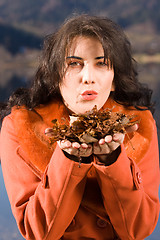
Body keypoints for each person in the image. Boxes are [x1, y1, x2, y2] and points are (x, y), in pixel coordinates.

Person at [0, 14, 159, 240]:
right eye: (74, 63)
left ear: (114, 79)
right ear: (54, 75)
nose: (88, 77)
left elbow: (137, 231)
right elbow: (38, 233)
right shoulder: (20, 127)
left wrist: (113, 161)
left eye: (102, 63)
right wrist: (68, 159)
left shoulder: (139, 126)